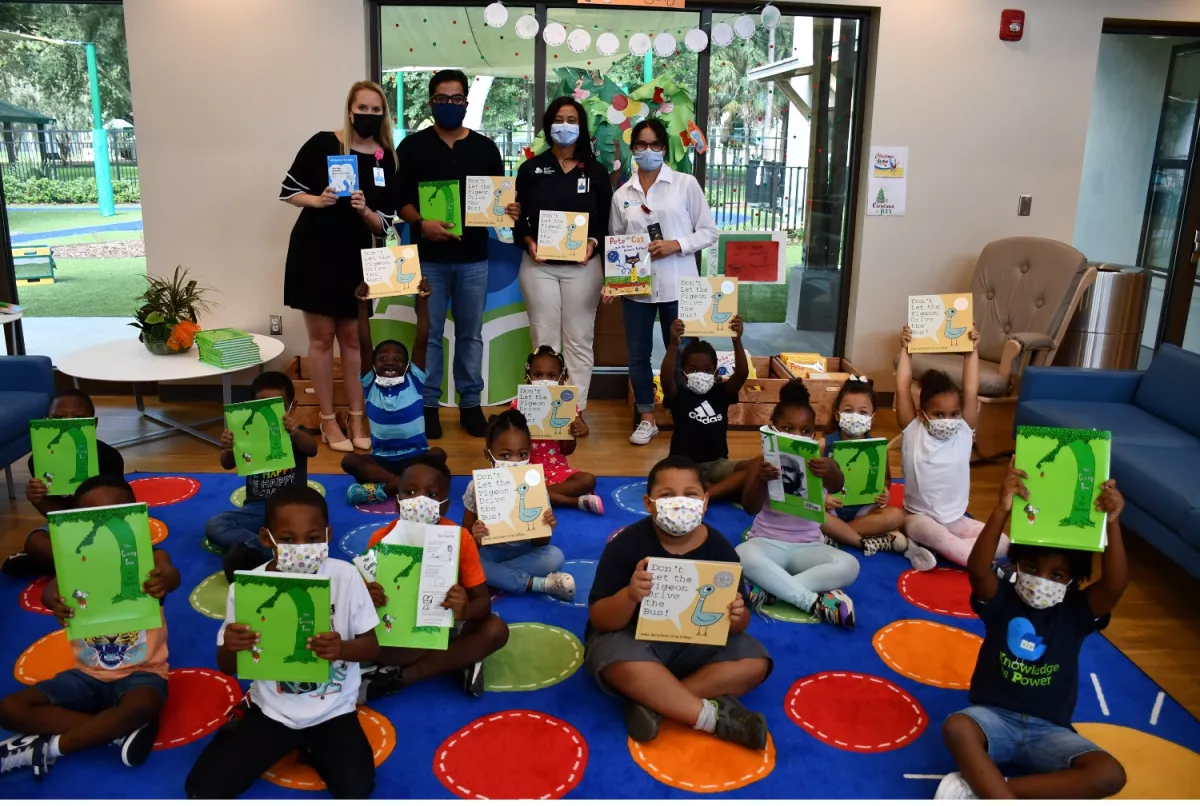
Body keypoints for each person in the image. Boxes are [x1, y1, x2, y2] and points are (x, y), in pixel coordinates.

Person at [936, 468, 1128, 800]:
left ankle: (983, 789)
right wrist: (1001, 509)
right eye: (1031, 568)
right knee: (957, 728)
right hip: (994, 718)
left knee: (1109, 774)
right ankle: (996, 792)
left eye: (1057, 575)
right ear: (1016, 564)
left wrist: (1112, 522)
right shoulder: (1003, 600)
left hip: (1049, 731)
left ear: (1073, 580)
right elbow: (978, 569)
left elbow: (1114, 584)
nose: (1041, 580)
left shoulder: (1076, 612)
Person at [185, 485, 379, 799]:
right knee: (204, 790)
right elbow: (227, 667)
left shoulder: (345, 577)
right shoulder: (249, 589)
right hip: (272, 709)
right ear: (267, 538)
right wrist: (232, 646)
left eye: (313, 538)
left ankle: (309, 747)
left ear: (327, 535)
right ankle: (243, 720)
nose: (302, 548)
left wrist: (342, 648)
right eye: (288, 539)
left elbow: (371, 646)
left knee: (356, 790)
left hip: (333, 710)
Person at [586, 456, 772, 749]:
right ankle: (713, 719)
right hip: (635, 641)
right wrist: (630, 595)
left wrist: (737, 616)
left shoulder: (720, 548)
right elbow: (600, 619)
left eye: (690, 494)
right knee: (612, 657)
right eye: (667, 495)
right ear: (649, 504)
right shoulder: (626, 544)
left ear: (705, 501)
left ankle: (654, 702)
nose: (680, 503)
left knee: (755, 663)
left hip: (697, 644)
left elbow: (739, 622)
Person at [0, 476, 177, 779]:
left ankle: (47, 748)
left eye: (116, 516)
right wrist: (54, 601)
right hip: (85, 675)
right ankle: (116, 730)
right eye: (95, 519)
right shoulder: (75, 566)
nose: (107, 527)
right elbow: (51, 591)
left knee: (143, 705)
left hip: (142, 674)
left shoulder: (152, 557)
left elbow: (170, 573)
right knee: (9, 709)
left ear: (136, 517)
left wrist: (164, 578)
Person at [395, 69, 518, 440]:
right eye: (441, 99)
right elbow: (400, 200)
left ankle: (470, 405)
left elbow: (498, 198)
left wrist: (508, 209)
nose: (449, 104)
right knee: (428, 334)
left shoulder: (485, 148)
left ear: (465, 101)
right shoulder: (412, 147)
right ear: (431, 101)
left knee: (470, 334)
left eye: (456, 99)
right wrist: (421, 224)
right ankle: (428, 406)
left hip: (473, 259)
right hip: (428, 258)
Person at [281, 80, 398, 453]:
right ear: (350, 109)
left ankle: (357, 416)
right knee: (320, 339)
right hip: (315, 252)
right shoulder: (322, 143)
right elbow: (288, 191)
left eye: (375, 110)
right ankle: (328, 419)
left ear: (383, 114)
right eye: (362, 108)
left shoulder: (385, 157)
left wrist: (365, 210)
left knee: (353, 339)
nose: (368, 115)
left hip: (357, 257)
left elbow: (384, 225)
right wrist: (318, 200)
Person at [361, 455, 509, 699]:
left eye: (431, 495)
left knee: (496, 630)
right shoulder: (380, 539)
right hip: (397, 628)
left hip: (446, 624)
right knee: (360, 640)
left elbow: (482, 602)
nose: (419, 501)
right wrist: (369, 596)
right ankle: (459, 660)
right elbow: (362, 603)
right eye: (410, 492)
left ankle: (401, 677)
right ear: (397, 502)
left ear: (445, 506)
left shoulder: (460, 538)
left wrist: (465, 609)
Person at [608, 118, 718, 446]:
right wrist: (614, 282)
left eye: (655, 144)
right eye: (641, 144)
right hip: (636, 290)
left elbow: (709, 232)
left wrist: (676, 245)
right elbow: (617, 240)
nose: (648, 150)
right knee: (638, 356)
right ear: (632, 149)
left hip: (679, 285)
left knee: (686, 352)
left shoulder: (685, 184)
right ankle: (646, 417)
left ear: (664, 149)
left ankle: (685, 412)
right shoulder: (622, 195)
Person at [514, 96, 614, 436]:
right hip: (538, 266)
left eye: (572, 120)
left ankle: (574, 412)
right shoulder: (531, 169)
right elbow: (517, 216)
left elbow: (604, 220)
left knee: (579, 341)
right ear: (548, 124)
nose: (565, 126)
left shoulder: (596, 171)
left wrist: (593, 243)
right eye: (559, 119)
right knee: (544, 341)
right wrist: (528, 240)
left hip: (583, 268)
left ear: (581, 126)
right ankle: (543, 414)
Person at [737, 381, 858, 628]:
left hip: (809, 546)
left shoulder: (822, 463)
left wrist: (830, 470)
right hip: (767, 543)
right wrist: (760, 479)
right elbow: (750, 507)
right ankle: (811, 600)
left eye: (805, 430)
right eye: (787, 428)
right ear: (773, 428)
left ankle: (770, 590)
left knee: (850, 566)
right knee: (741, 555)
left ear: (814, 433)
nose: (796, 435)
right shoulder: (761, 463)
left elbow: (837, 485)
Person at [895, 324, 1008, 566]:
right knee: (931, 532)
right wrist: (906, 349)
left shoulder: (964, 430)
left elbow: (971, 388)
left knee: (1003, 542)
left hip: (956, 520)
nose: (948, 420)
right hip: (918, 518)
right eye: (938, 414)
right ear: (922, 413)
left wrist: (971, 350)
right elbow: (902, 387)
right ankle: (972, 558)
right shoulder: (913, 429)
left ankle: (932, 549)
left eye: (954, 413)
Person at [205, 372, 319, 581]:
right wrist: (228, 447)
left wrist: (294, 432)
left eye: (278, 406)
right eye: (263, 405)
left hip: (291, 508)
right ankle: (268, 549)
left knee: (314, 521)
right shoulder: (246, 434)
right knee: (216, 525)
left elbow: (312, 449)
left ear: (292, 407)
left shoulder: (295, 432)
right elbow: (227, 463)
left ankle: (259, 552)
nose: (270, 413)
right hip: (258, 509)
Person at [343, 278, 447, 505]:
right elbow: (364, 343)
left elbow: (421, 340)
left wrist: (422, 301)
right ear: (373, 364)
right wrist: (362, 305)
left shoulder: (414, 380)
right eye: (382, 358)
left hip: (416, 457)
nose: (390, 362)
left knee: (438, 454)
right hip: (383, 461)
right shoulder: (370, 383)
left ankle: (385, 488)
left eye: (397, 359)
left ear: (407, 366)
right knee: (350, 461)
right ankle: (405, 485)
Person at [2, 390, 124, 577]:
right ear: (48, 422)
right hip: (66, 525)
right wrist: (38, 499)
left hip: (104, 526)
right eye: (58, 418)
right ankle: (91, 565)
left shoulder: (110, 457)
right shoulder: (39, 462)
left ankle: (68, 564)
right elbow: (55, 516)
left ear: (93, 424)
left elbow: (118, 511)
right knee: (35, 541)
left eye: (78, 418)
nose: (67, 425)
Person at [821, 375, 937, 571]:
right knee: (812, 515)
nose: (855, 416)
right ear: (837, 414)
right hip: (830, 511)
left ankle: (837, 536)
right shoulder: (824, 444)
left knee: (896, 516)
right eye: (848, 410)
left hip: (863, 514)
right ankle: (870, 541)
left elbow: (885, 480)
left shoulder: (877, 447)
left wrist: (884, 493)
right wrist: (823, 499)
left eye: (863, 412)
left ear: (872, 417)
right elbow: (808, 482)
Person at [462, 410, 575, 601]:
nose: (515, 461)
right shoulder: (476, 486)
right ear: (488, 455)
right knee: (467, 559)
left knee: (555, 556)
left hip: (525, 550)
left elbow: (542, 542)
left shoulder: (535, 486)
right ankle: (537, 584)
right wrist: (476, 534)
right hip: (491, 552)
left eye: (522, 454)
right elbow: (466, 535)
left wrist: (545, 524)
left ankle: (494, 577)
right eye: (505, 455)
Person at [661, 318, 755, 501]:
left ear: (715, 372)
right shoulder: (678, 394)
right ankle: (715, 490)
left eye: (706, 370)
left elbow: (742, 374)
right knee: (665, 477)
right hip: (684, 466)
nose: (700, 374)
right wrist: (673, 344)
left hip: (716, 465)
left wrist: (737, 341)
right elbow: (666, 379)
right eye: (693, 369)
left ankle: (705, 492)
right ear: (683, 374)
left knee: (755, 466)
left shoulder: (722, 392)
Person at [511, 345, 603, 514]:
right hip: (525, 471)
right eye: (538, 375)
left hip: (557, 472)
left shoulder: (568, 407)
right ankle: (574, 502)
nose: (544, 380)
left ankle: (533, 496)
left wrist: (573, 431)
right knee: (510, 483)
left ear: (562, 378)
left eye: (551, 375)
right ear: (528, 377)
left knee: (587, 480)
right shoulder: (518, 405)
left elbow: (567, 450)